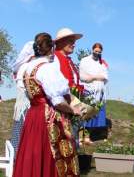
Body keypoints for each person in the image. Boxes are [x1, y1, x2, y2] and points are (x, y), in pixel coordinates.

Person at [13, 33, 83, 177]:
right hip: (49, 117)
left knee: (33, 154)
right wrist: (72, 110)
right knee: (52, 155)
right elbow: (57, 101)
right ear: (51, 49)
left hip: (33, 115)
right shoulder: (47, 68)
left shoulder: (26, 68)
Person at [54, 27, 84, 147]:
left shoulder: (68, 60)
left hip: (73, 102)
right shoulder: (55, 58)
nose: (74, 44)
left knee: (73, 137)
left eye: (74, 42)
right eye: (71, 41)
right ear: (60, 42)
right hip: (63, 105)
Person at [79, 42, 109, 143]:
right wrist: (95, 77)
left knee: (94, 114)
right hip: (88, 90)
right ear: (92, 50)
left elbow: (105, 76)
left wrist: (93, 76)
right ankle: (80, 136)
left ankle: (88, 136)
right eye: (96, 51)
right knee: (85, 113)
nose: (97, 53)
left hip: (99, 92)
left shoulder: (102, 63)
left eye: (99, 52)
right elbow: (83, 76)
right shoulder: (85, 60)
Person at [10, 41, 34, 154]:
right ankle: (16, 159)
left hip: (32, 105)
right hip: (25, 105)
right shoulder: (25, 66)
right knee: (20, 130)